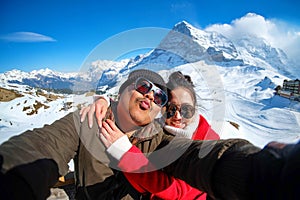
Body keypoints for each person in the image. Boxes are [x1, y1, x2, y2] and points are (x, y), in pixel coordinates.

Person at [0, 69, 299, 200]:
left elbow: (200, 160)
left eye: (158, 97)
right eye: (143, 86)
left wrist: (263, 171)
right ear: (121, 91)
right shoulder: (88, 120)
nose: (150, 97)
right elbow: (41, 146)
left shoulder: (161, 139)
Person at [80, 71, 220, 199]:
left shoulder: (207, 141)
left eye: (186, 110)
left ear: (195, 109)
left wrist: (126, 154)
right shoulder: (158, 129)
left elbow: (177, 192)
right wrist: (103, 102)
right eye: (171, 109)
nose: (178, 117)